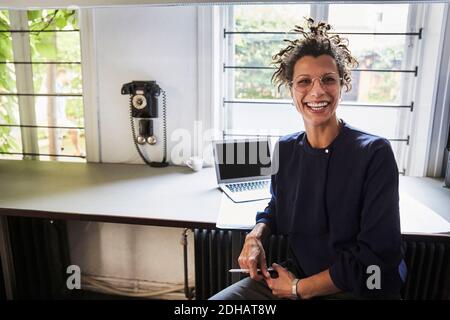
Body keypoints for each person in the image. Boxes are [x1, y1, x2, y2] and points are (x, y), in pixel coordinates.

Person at [210, 18, 406, 300]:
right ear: (291, 90)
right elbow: (278, 206)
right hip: (295, 277)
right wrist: (256, 235)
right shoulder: (286, 148)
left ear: (342, 84)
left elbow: (375, 254)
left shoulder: (374, 153)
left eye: (328, 79)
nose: (317, 91)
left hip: (357, 288)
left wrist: (296, 289)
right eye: (304, 82)